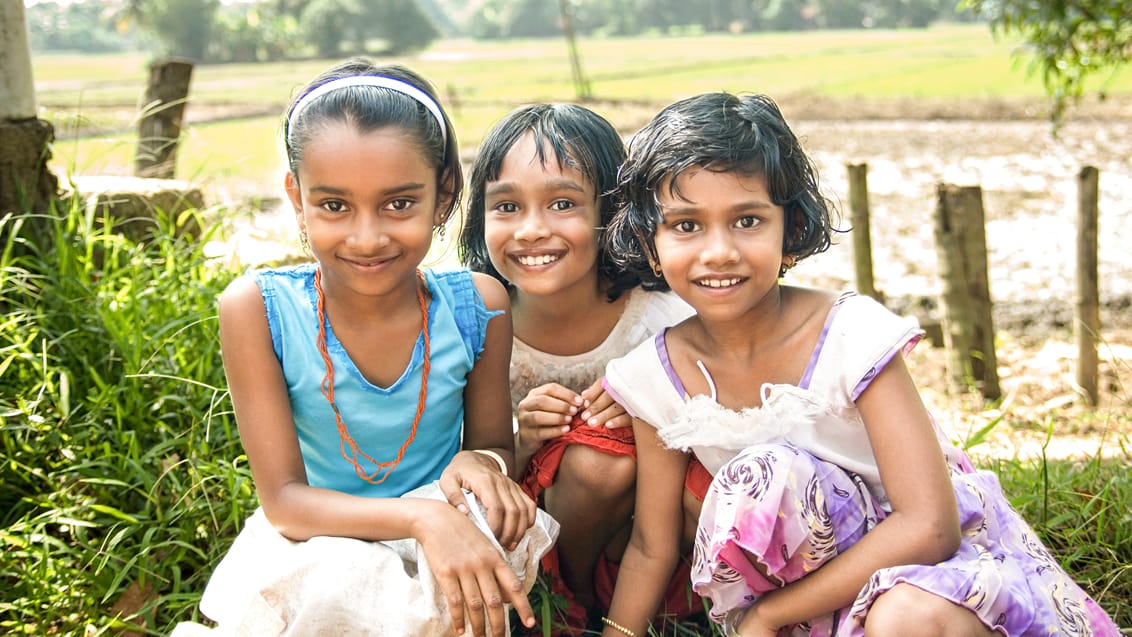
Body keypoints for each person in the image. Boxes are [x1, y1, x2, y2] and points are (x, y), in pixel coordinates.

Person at [597, 91, 1120, 637]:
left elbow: (930, 526)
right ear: (649, 245)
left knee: (901, 618)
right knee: (762, 477)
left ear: (792, 231)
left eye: (748, 220)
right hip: (810, 598)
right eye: (686, 226)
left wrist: (770, 614)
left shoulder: (849, 335)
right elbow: (652, 545)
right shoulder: (653, 377)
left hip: (933, 575)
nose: (718, 251)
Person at [172, 58, 557, 637]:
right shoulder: (258, 308)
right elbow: (284, 501)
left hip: (442, 526)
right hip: (320, 538)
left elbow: (492, 447)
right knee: (338, 581)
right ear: (296, 196)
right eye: (334, 206)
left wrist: (481, 465)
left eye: (399, 204)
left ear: (445, 192)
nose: (367, 236)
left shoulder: (479, 305)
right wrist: (421, 518)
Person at [456, 103, 695, 633]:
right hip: (525, 528)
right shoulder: (470, 325)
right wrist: (523, 440)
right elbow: (460, 459)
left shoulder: (662, 321)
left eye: (562, 203)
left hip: (649, 531)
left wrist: (648, 410)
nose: (532, 230)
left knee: (609, 457)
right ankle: (565, 605)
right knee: (593, 462)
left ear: (611, 212)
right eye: (507, 207)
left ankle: (625, 601)